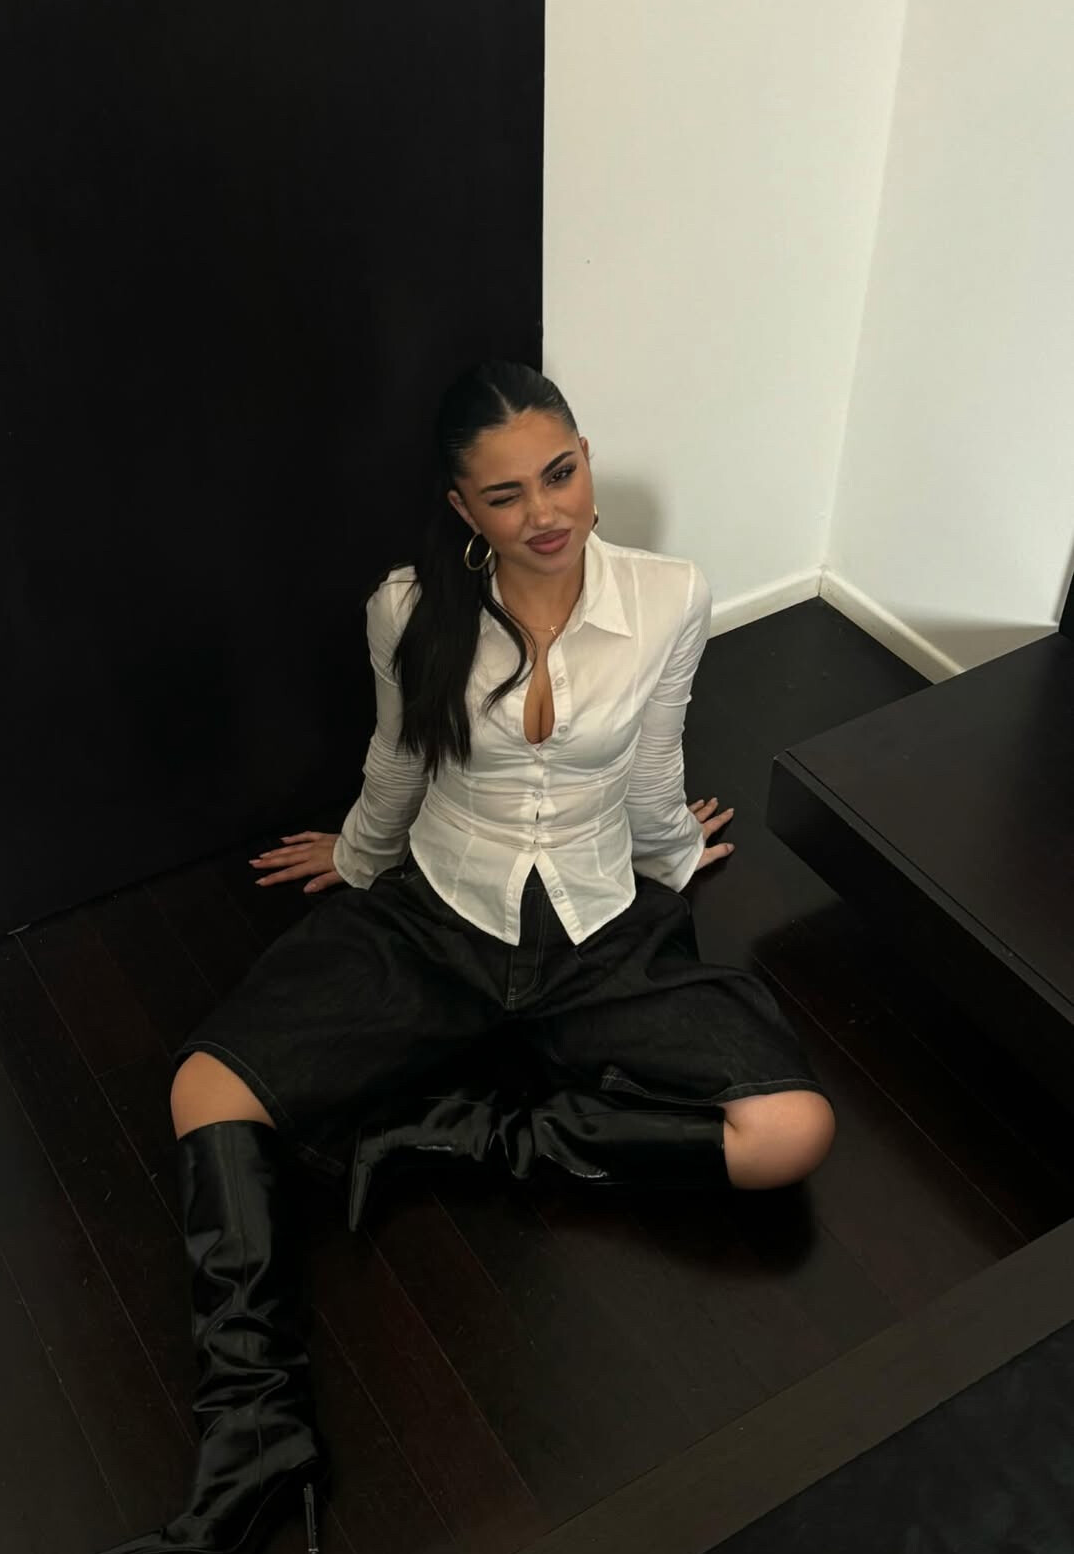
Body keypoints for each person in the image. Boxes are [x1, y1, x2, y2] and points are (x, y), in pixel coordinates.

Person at [103, 360, 836, 1554]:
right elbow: (398, 760)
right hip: (440, 911)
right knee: (205, 1088)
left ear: (587, 459)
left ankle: (459, 1135)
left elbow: (654, 762)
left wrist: (670, 854)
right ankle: (255, 1436)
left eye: (561, 472)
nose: (546, 512)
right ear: (462, 508)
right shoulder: (409, 609)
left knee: (790, 1132)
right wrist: (354, 855)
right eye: (506, 495)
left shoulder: (670, 597)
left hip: (597, 921)